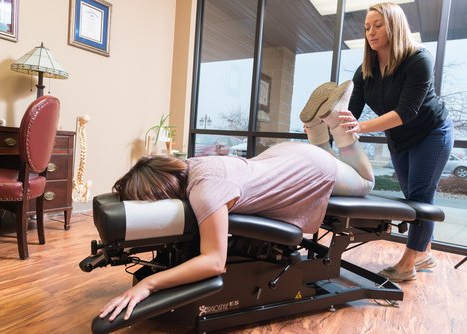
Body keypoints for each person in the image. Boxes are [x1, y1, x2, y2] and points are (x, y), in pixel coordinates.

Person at [99, 80, 374, 321]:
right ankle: (315, 128)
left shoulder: (205, 191)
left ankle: (336, 121)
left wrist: (149, 284)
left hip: (311, 168)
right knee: (338, 165)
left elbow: (214, 262)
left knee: (365, 182)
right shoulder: (193, 165)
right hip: (288, 156)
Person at [335, 2, 454, 282]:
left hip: (431, 133)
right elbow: (349, 110)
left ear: (395, 26)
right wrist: (324, 121)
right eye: (367, 27)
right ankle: (424, 253)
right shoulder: (366, 70)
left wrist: (361, 127)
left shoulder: (418, 60)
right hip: (400, 138)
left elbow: (407, 111)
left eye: (378, 25)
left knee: (421, 197)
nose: (371, 32)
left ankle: (408, 264)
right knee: (412, 197)